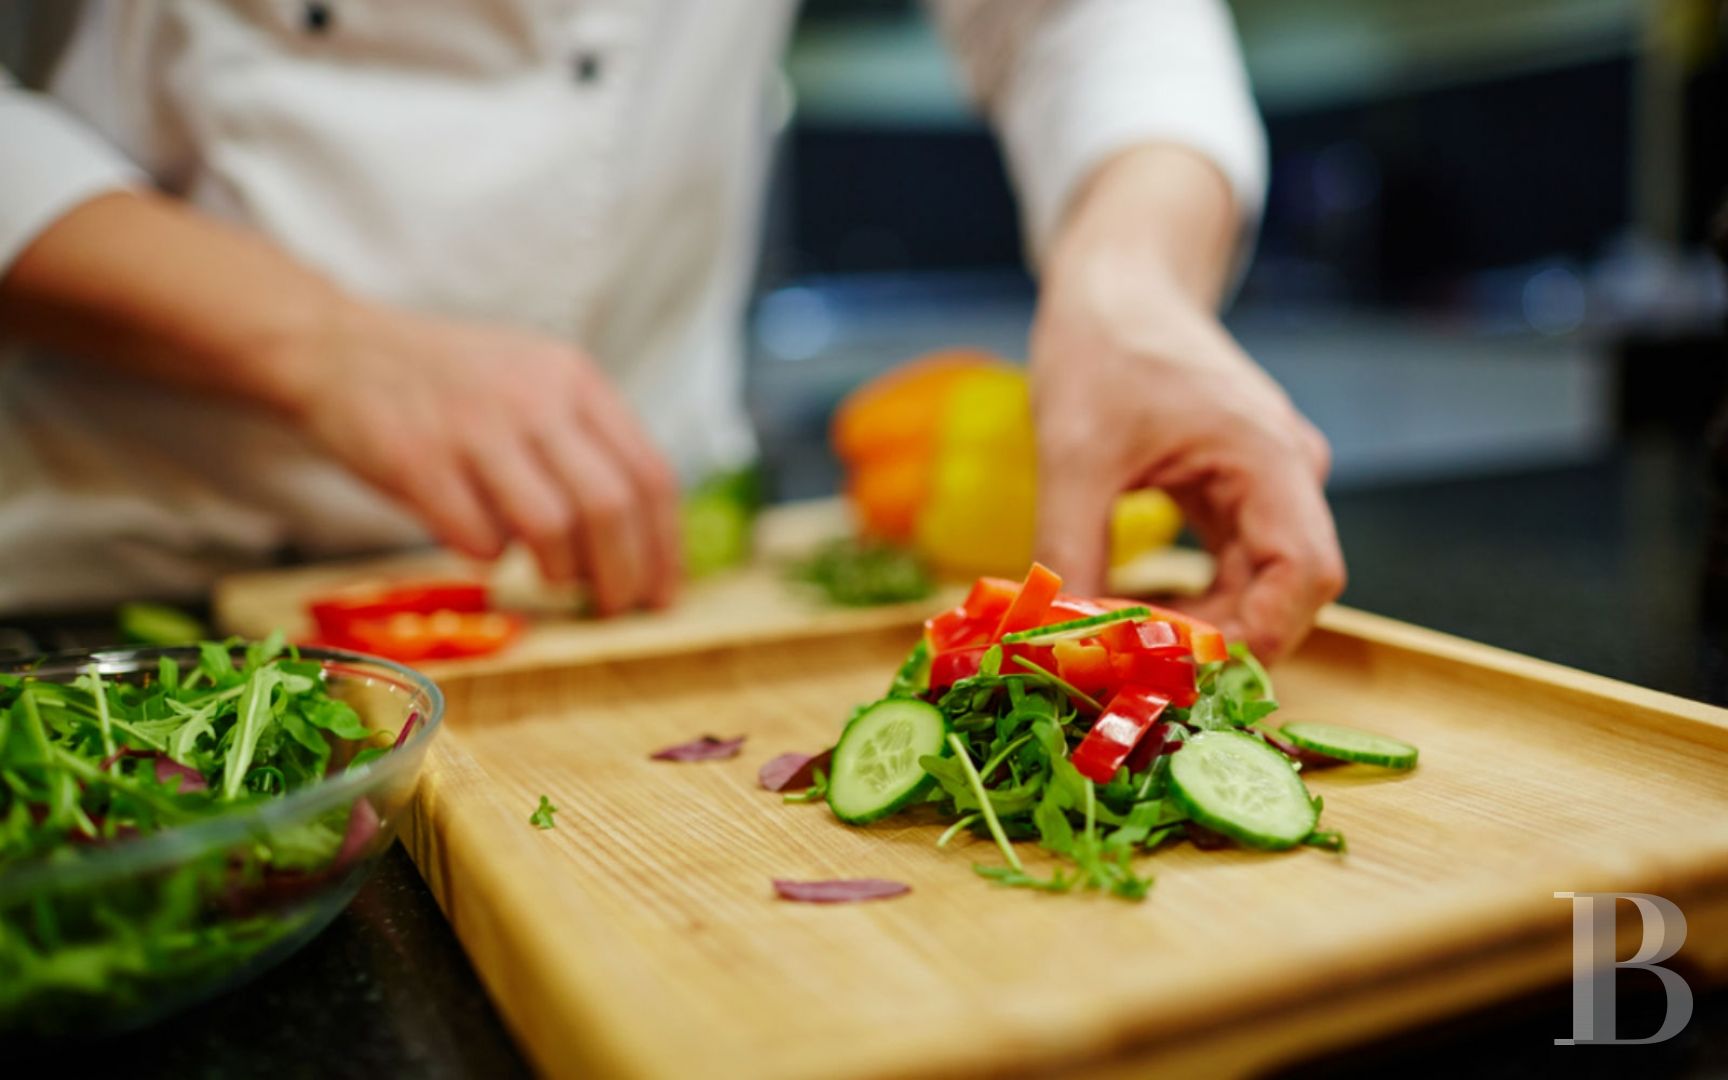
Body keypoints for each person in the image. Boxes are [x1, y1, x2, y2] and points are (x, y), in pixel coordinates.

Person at [0, 0, 1342, 660]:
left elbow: (1086, 21)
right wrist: (324, 340)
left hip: (633, 585)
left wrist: (1132, 287)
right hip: (134, 574)